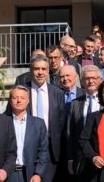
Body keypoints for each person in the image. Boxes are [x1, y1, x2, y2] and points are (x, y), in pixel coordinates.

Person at [21, 54, 66, 182]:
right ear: (31, 70)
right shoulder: (22, 91)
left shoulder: (57, 93)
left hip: (51, 152)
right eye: (36, 69)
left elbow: (61, 122)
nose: (40, 72)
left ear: (48, 71)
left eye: (43, 69)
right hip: (27, 149)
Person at [7, 85, 49, 182]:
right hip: (8, 175)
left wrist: (38, 173)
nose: (19, 101)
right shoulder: (2, 122)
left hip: (31, 174)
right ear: (10, 100)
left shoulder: (39, 123)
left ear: (28, 100)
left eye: (22, 98)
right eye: (15, 98)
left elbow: (43, 151)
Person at [67, 65, 102, 179]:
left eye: (94, 78)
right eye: (87, 78)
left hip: (102, 156)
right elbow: (70, 134)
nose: (91, 81)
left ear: (100, 80)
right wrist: (71, 158)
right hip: (81, 157)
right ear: (82, 81)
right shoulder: (74, 104)